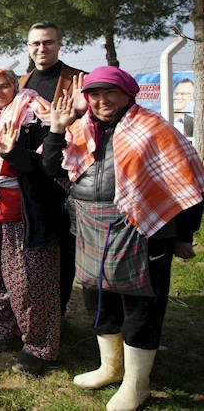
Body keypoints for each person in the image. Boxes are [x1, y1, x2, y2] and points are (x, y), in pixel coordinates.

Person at [42, 66, 204, 411]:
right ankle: (110, 367)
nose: (102, 101)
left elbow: (187, 184)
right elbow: (53, 168)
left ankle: (136, 384)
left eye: (110, 93)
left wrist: (185, 236)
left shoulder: (153, 129)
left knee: (141, 307)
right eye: (95, 94)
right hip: (90, 227)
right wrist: (58, 128)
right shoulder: (81, 130)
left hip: (142, 231)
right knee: (98, 301)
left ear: (129, 93)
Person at [0, 68, 65, 375]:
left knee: (27, 284)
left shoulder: (33, 116)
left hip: (20, 215)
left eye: (3, 86)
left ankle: (37, 346)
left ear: (14, 86)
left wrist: (13, 151)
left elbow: (47, 167)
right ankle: (1, 333)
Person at [19, 21, 85, 318]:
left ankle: (56, 316)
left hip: (62, 178)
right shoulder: (22, 83)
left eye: (47, 42)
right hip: (28, 176)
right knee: (33, 250)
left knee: (61, 251)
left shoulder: (75, 81)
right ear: (29, 47)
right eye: (36, 43)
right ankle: (35, 313)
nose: (41, 48)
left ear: (59, 44)